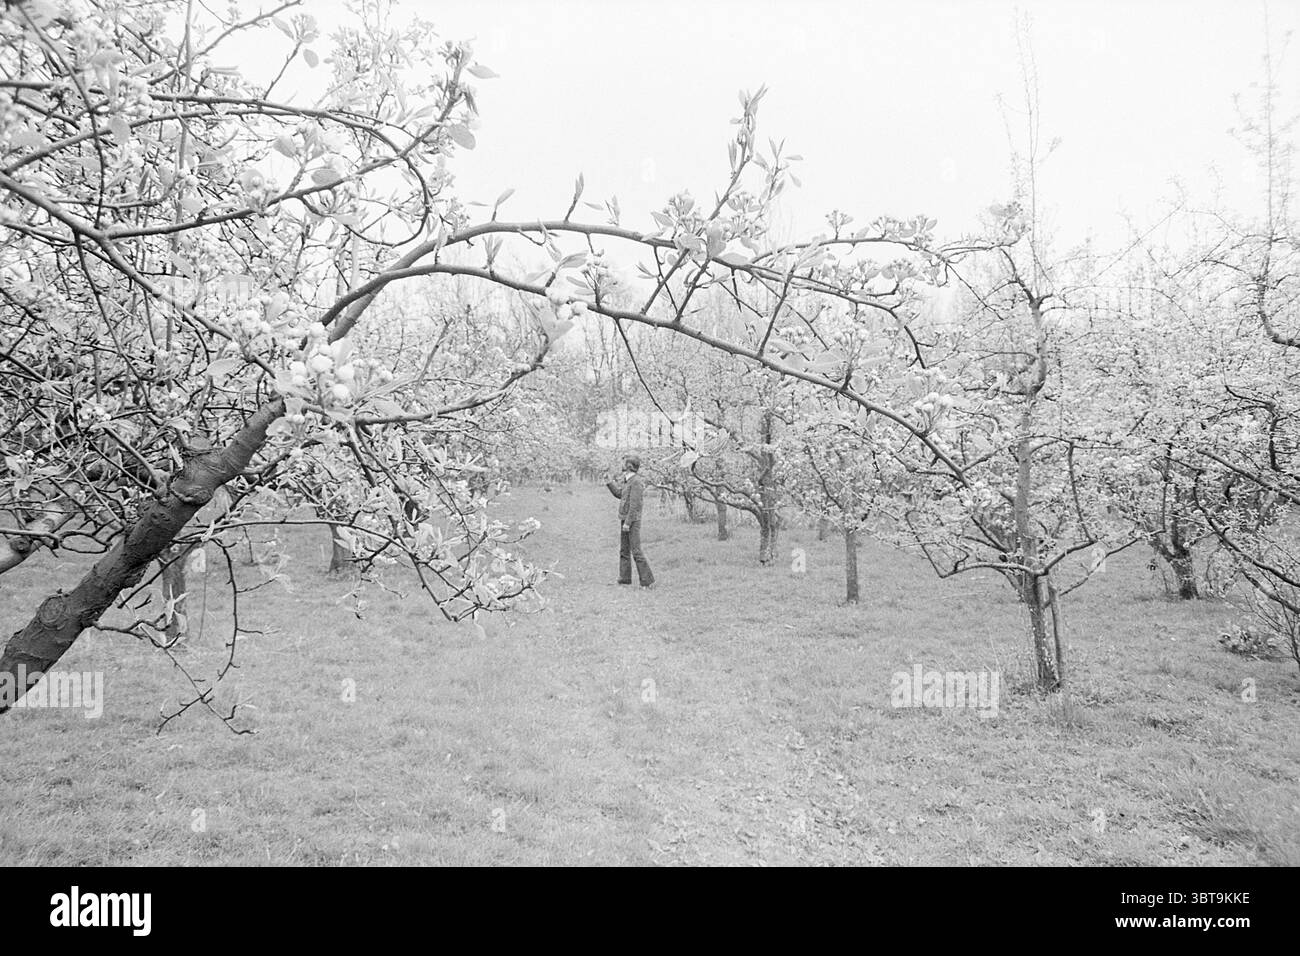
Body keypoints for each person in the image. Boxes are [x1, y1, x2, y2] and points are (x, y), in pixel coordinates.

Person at [605, 455, 655, 588]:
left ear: (629, 466)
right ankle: (624, 579)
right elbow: (620, 494)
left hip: (632, 521)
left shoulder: (636, 482)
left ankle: (647, 581)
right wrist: (609, 483)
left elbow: (635, 506)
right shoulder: (629, 480)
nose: (621, 464)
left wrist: (628, 523)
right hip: (625, 519)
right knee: (624, 550)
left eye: (623, 462)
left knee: (636, 550)